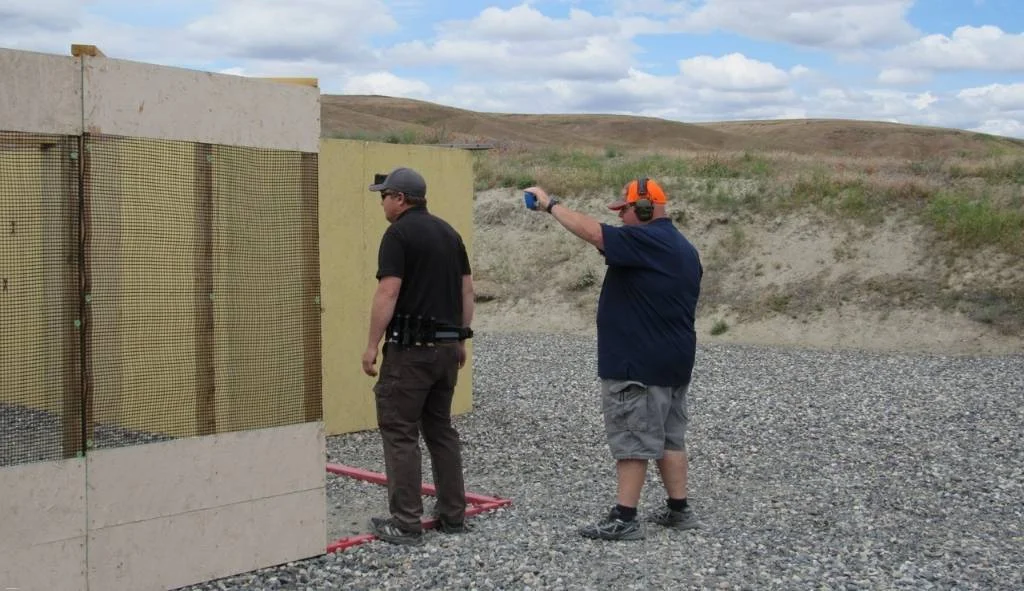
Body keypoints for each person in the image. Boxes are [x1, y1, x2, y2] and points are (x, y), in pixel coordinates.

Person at [523, 178, 703, 541]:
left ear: (645, 209)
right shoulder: (680, 247)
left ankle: (625, 517)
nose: (621, 218)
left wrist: (551, 204)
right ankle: (678, 509)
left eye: (624, 210)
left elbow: (593, 233)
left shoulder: (647, 241)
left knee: (632, 439)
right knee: (670, 438)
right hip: (673, 362)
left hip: (637, 364)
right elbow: (609, 246)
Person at [362, 166, 476, 546]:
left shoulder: (397, 234)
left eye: (384, 196)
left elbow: (388, 293)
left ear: (400, 198)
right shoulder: (449, 233)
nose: (382, 203)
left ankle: (406, 523)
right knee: (440, 430)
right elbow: (467, 291)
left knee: (400, 432)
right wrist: (460, 339)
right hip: (446, 351)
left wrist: (371, 344)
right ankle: (453, 516)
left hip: (410, 353)